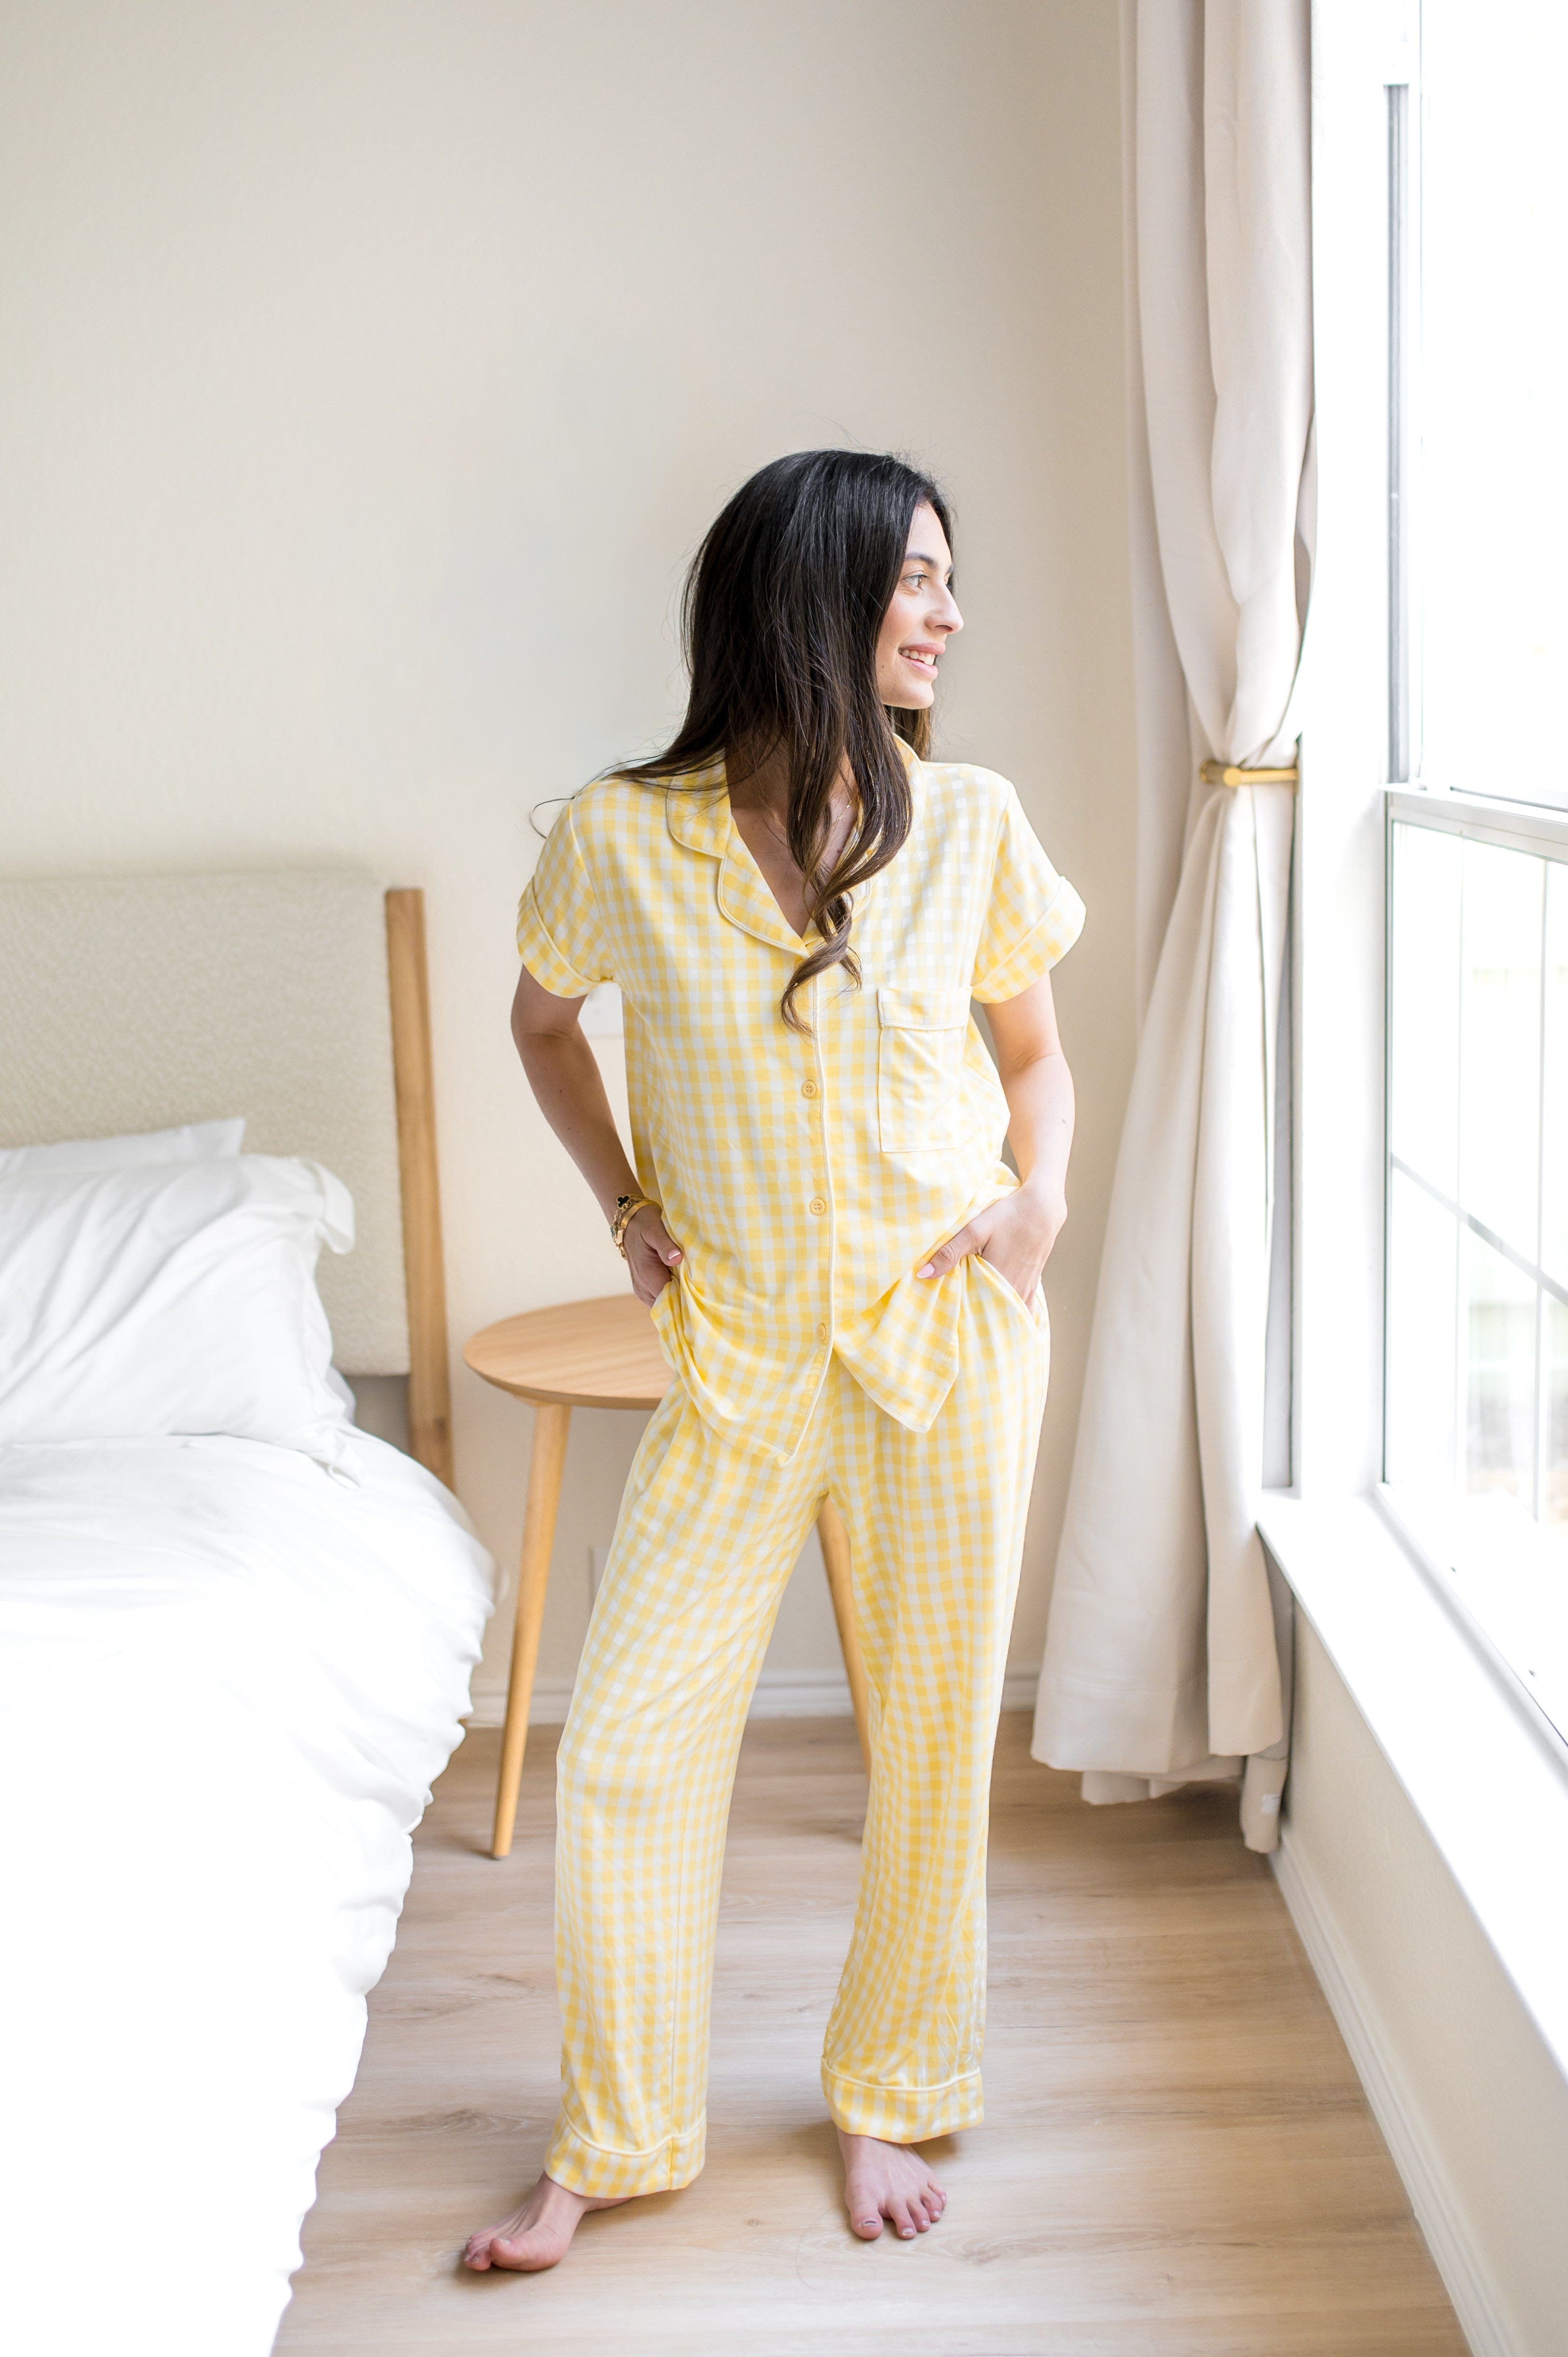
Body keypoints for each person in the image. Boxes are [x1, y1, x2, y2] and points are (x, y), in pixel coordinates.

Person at [464, 449, 1083, 2273]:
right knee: (629, 1751)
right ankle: (619, 2132)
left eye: (951, 582)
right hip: (737, 1351)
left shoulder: (966, 820)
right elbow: (540, 1024)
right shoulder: (617, 836)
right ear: (806, 593)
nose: (949, 615)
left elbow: (1034, 1061)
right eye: (916, 579)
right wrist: (623, 1208)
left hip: (950, 1333)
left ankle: (890, 2086)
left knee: (931, 1742)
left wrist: (1038, 1202)